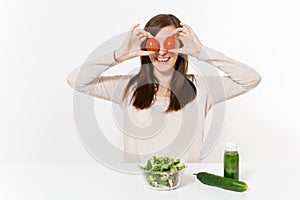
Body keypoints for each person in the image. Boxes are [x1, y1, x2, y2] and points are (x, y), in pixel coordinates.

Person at [66, 14, 261, 163]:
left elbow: (251, 79)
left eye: (169, 43)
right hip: (138, 189)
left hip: (186, 188)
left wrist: (202, 52)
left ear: (181, 47)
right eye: (154, 44)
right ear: (145, 47)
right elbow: (76, 80)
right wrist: (118, 54)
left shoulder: (203, 88)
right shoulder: (126, 87)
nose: (161, 51)